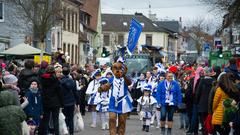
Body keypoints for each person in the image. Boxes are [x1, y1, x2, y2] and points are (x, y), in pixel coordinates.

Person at [39, 65, 64, 135]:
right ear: (54, 71)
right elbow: (59, 92)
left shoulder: (42, 79)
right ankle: (56, 133)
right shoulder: (56, 80)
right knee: (55, 120)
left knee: (46, 119)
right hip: (55, 102)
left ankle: (45, 133)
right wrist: (62, 103)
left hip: (45, 102)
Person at [60, 66, 78, 135]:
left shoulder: (60, 81)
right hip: (71, 102)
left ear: (62, 73)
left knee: (63, 117)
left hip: (63, 102)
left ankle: (64, 130)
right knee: (71, 118)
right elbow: (75, 92)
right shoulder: (73, 81)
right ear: (69, 73)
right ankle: (71, 132)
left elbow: (60, 93)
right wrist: (77, 102)